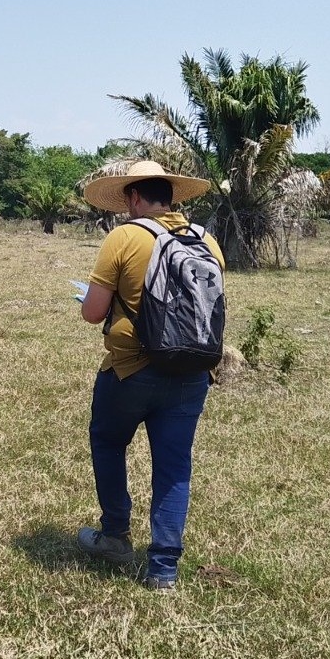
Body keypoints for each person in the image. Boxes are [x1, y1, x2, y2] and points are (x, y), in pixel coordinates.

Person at [74, 160, 223, 589]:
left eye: (126, 199)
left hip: (130, 370)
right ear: (170, 195)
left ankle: (116, 536)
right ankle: (163, 570)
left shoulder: (124, 236)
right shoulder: (206, 240)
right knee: (174, 467)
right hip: (193, 371)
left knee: (107, 442)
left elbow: (93, 313)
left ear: (136, 196)